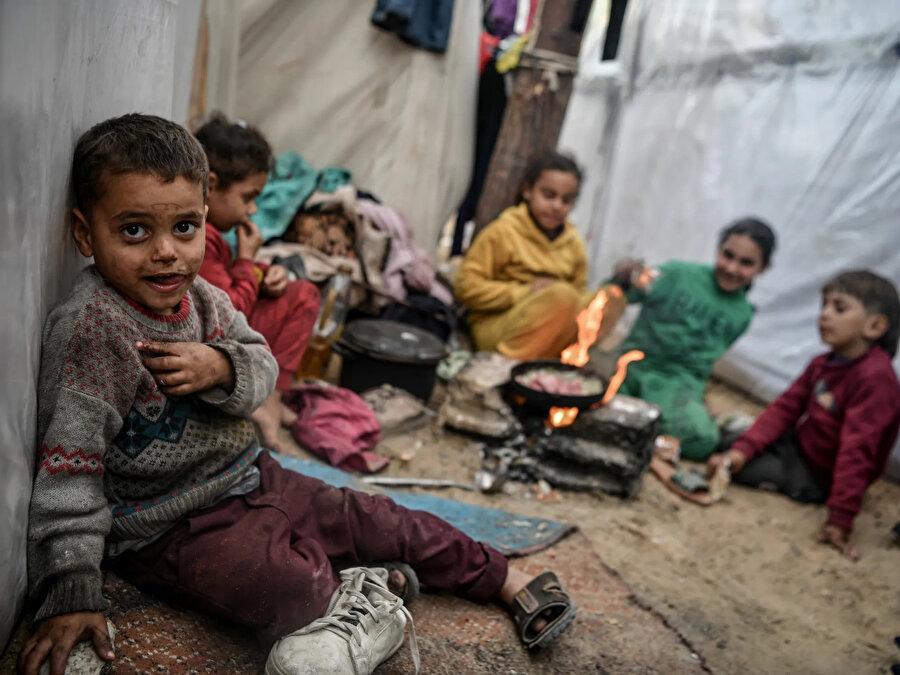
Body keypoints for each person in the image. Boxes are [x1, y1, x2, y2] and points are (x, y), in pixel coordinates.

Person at [18, 114, 576, 675]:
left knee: (377, 517)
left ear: (205, 222)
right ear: (85, 233)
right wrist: (72, 591)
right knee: (288, 586)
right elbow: (70, 474)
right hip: (166, 525)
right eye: (134, 231)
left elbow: (261, 366)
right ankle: (371, 591)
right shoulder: (92, 332)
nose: (166, 252)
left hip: (253, 473)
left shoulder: (206, 299)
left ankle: (505, 578)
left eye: (184, 228)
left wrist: (221, 367)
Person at [708, 270, 900, 559]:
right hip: (798, 443)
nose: (824, 315)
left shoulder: (875, 379)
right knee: (722, 443)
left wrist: (840, 518)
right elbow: (784, 409)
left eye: (839, 308)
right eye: (823, 305)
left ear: (874, 326)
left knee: (742, 472)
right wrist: (742, 450)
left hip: (817, 474)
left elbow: (857, 451)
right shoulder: (824, 362)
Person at [194, 113, 320, 452]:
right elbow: (227, 313)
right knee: (305, 296)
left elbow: (223, 284)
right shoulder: (201, 238)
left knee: (297, 290)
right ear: (212, 184)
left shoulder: (213, 233)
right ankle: (269, 399)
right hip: (212, 343)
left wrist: (262, 275)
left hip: (218, 331)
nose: (252, 211)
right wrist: (248, 262)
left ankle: (273, 396)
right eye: (248, 197)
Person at [612, 218, 777, 460]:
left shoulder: (742, 314)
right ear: (718, 250)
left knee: (703, 439)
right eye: (727, 255)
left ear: (763, 268)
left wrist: (696, 401)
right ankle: (645, 430)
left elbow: (703, 362)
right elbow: (617, 294)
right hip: (631, 365)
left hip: (676, 386)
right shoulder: (676, 274)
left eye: (746, 263)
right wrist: (623, 276)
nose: (732, 268)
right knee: (591, 392)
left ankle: (639, 432)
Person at [454, 151, 597, 360]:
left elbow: (578, 294)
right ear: (528, 191)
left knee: (608, 299)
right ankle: (506, 369)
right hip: (498, 327)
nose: (557, 206)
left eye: (566, 200)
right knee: (562, 297)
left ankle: (552, 364)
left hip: (550, 330)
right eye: (549, 195)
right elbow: (466, 287)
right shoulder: (504, 231)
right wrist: (525, 292)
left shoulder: (573, 242)